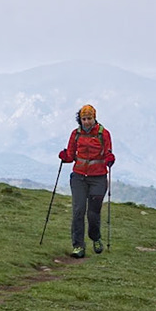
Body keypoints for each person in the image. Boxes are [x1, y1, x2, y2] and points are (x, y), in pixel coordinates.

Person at [57, 104, 115, 258]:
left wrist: (110, 159)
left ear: (94, 118)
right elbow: (70, 155)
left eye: (89, 118)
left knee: (93, 214)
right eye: (84, 119)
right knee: (78, 211)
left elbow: (108, 152)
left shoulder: (104, 134)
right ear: (80, 119)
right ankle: (78, 246)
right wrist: (64, 156)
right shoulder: (75, 134)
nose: (87, 122)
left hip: (98, 178)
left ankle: (95, 237)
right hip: (79, 177)